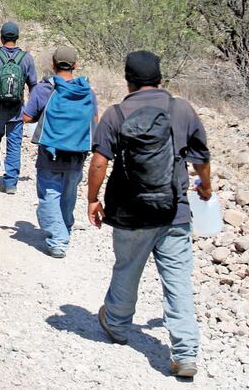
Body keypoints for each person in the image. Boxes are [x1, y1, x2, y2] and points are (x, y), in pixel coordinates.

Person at [87, 50, 212, 379]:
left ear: (127, 80)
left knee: (127, 269)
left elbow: (99, 162)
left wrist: (92, 200)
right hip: (174, 212)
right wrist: (205, 187)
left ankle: (116, 324)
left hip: (129, 214)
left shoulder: (115, 114)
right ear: (160, 78)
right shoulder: (181, 109)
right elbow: (200, 156)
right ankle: (185, 353)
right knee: (177, 283)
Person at [22, 47, 97, 258]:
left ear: (53, 65)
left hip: (50, 152)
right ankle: (65, 227)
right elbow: (94, 121)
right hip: (77, 153)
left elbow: (27, 118)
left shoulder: (44, 89)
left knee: (49, 195)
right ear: (75, 65)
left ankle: (58, 239)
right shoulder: (87, 92)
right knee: (69, 193)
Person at [0, 21, 38, 193]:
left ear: (1, 37)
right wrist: (31, 109)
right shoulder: (26, 58)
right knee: (14, 145)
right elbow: (33, 86)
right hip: (16, 110)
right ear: (17, 38)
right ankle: (11, 182)